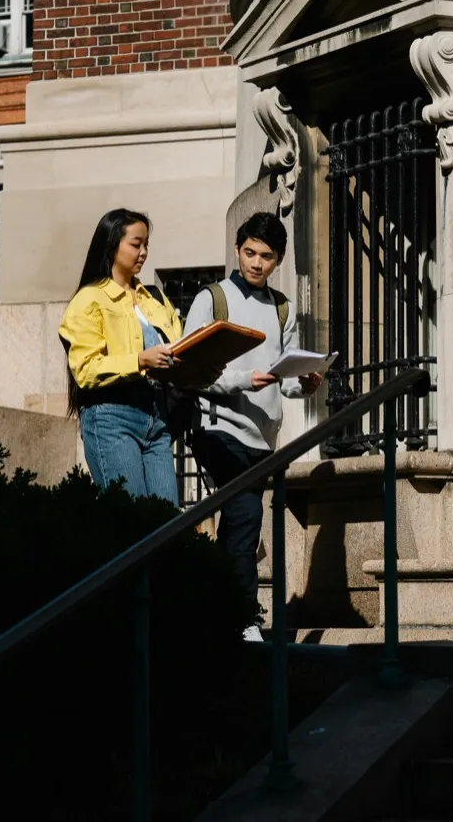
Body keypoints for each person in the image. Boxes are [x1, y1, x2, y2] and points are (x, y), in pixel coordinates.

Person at [184, 212, 323, 641]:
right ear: (237, 249)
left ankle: (216, 611)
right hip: (217, 426)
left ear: (277, 260)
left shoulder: (282, 308)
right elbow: (192, 370)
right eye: (249, 252)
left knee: (240, 524)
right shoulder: (212, 298)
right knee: (245, 514)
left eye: (265, 256)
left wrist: (307, 382)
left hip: (261, 436)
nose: (256, 263)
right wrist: (245, 380)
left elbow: (286, 380)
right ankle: (244, 618)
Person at [58, 208, 187, 503]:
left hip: (156, 419)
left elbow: (178, 347)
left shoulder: (154, 297)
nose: (143, 252)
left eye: (146, 246)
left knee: (167, 521)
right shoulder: (89, 299)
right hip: (111, 417)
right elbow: (86, 370)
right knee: (132, 521)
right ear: (112, 244)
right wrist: (140, 360)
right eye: (135, 244)